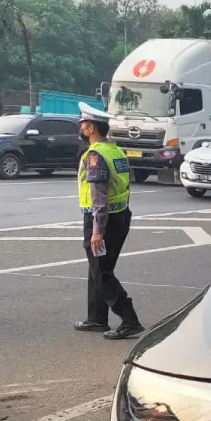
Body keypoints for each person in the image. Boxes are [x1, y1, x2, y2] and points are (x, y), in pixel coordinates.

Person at [73, 103, 143, 340]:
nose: (81, 126)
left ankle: (129, 319)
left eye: (83, 123)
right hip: (120, 216)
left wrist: (97, 231)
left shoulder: (95, 156)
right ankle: (97, 318)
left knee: (102, 272)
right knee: (97, 269)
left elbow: (99, 198)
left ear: (91, 127)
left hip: (102, 220)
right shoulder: (116, 150)